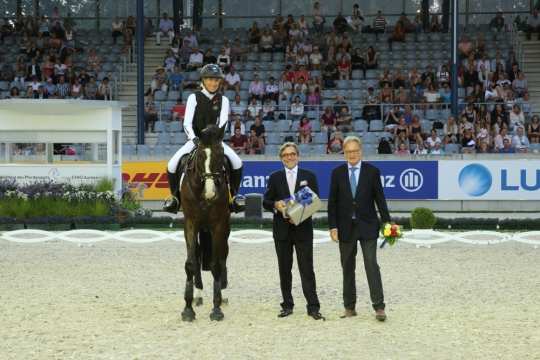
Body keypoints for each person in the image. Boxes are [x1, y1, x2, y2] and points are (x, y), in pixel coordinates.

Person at [163, 64, 245, 214]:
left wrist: (215, 138)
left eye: (216, 80)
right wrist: (194, 139)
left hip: (215, 141)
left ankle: (234, 197)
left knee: (237, 162)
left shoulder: (224, 100)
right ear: (203, 80)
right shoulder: (194, 97)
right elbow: (187, 122)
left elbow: (223, 123)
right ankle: (174, 198)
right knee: (171, 165)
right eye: (209, 80)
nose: (213, 83)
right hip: (196, 140)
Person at [328, 136, 391, 321]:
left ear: (361, 151)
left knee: (371, 264)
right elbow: (332, 202)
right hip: (345, 227)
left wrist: (387, 223)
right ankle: (349, 306)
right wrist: (333, 226)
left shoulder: (372, 172)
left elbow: (380, 199)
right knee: (347, 267)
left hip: (368, 226)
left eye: (355, 151)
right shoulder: (337, 173)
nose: (352, 154)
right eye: (348, 152)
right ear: (344, 153)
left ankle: (379, 307)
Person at [263, 142, 324, 321]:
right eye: (285, 155)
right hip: (281, 231)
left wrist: (296, 212)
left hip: (303, 229)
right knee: (284, 269)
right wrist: (275, 204)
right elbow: (266, 201)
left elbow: (314, 198)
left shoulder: (309, 176)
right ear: (281, 159)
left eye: (292, 154)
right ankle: (287, 305)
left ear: (298, 156)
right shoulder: (274, 177)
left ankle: (313, 307)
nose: (289, 157)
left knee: (307, 269)